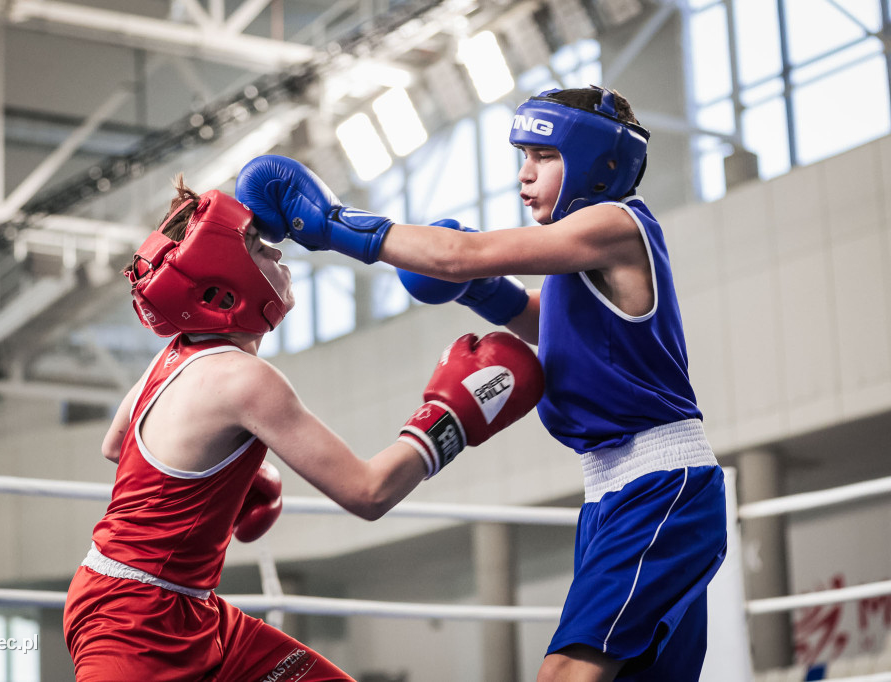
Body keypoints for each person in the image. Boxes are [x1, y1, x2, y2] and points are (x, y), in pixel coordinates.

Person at [234, 85, 728, 681]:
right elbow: (553, 321)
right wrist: (481, 293)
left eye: (544, 158)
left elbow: (457, 254)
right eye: (522, 156)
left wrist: (338, 226)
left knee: (566, 673)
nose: (525, 175)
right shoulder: (584, 258)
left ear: (599, 163)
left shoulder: (614, 223)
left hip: (660, 484)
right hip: (617, 490)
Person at [62, 181, 543, 682]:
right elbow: (367, 492)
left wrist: (220, 476)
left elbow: (116, 445)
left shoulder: (176, 354)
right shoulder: (246, 380)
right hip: (131, 621)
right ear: (223, 285)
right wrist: (452, 419)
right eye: (255, 245)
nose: (275, 250)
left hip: (187, 610)